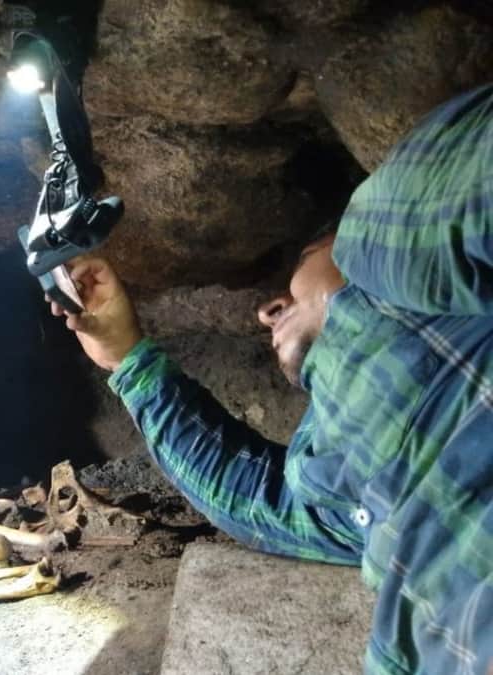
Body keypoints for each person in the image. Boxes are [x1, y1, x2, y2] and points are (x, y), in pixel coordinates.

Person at [53, 84, 493, 675]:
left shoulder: (390, 235)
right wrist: (126, 358)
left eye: (302, 265)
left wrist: (362, 240)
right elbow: (256, 502)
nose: (267, 309)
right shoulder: (337, 479)